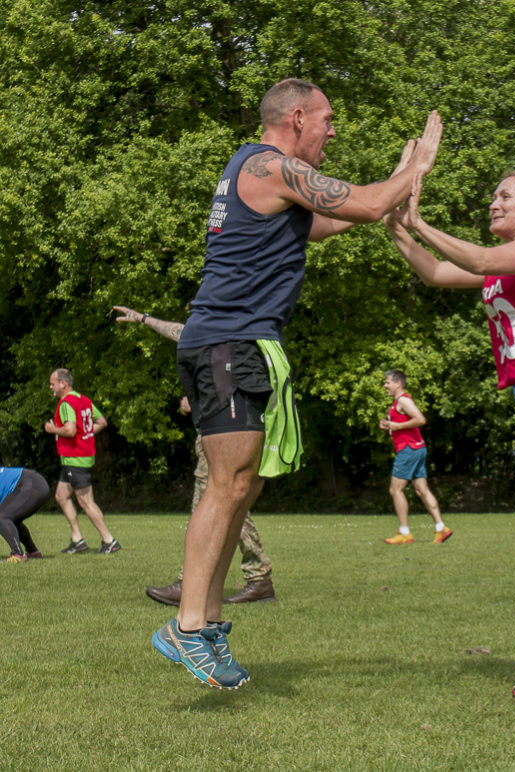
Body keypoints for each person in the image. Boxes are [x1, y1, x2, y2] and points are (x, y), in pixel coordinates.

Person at [151, 77, 442, 689]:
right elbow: (364, 204)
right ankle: (186, 626)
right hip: (228, 344)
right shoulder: (270, 165)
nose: (333, 131)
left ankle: (207, 623)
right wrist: (414, 167)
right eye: (328, 120)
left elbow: (335, 219)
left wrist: (394, 184)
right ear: (299, 117)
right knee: (226, 486)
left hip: (240, 345)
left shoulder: (266, 181)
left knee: (242, 487)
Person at [386, 167, 515, 702]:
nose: (493, 203)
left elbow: (479, 259)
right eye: (494, 196)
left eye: (505, 196)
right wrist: (396, 227)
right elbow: (437, 272)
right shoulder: (507, 268)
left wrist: (419, 220)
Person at [112, 306, 277, 604]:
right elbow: (178, 331)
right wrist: (144, 319)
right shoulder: (213, 334)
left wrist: (199, 401)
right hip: (216, 433)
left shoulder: (226, 338)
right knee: (222, 503)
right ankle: (255, 577)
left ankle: (197, 582)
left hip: (223, 435)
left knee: (212, 504)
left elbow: (227, 386)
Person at [44, 369, 121, 555]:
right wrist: (85, 435)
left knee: (86, 502)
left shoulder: (66, 403)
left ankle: (109, 540)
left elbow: (70, 430)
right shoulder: (83, 400)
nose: (51, 387)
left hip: (75, 459)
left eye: (53, 383)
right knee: (61, 496)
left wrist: (53, 430)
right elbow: (101, 422)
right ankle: (77, 539)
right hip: (76, 458)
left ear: (63, 384)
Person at [379, 369, 451, 545]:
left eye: (388, 382)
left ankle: (404, 533)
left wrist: (396, 426)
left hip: (409, 450)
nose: (385, 385)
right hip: (416, 449)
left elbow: (420, 419)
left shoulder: (403, 400)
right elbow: (402, 423)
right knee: (421, 490)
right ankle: (441, 528)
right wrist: (388, 425)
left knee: (395, 490)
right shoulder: (398, 402)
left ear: (398, 384)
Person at [0, 467, 49, 562]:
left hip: (31, 484)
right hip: (34, 483)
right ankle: (33, 551)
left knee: (2, 517)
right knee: (10, 518)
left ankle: (18, 554)